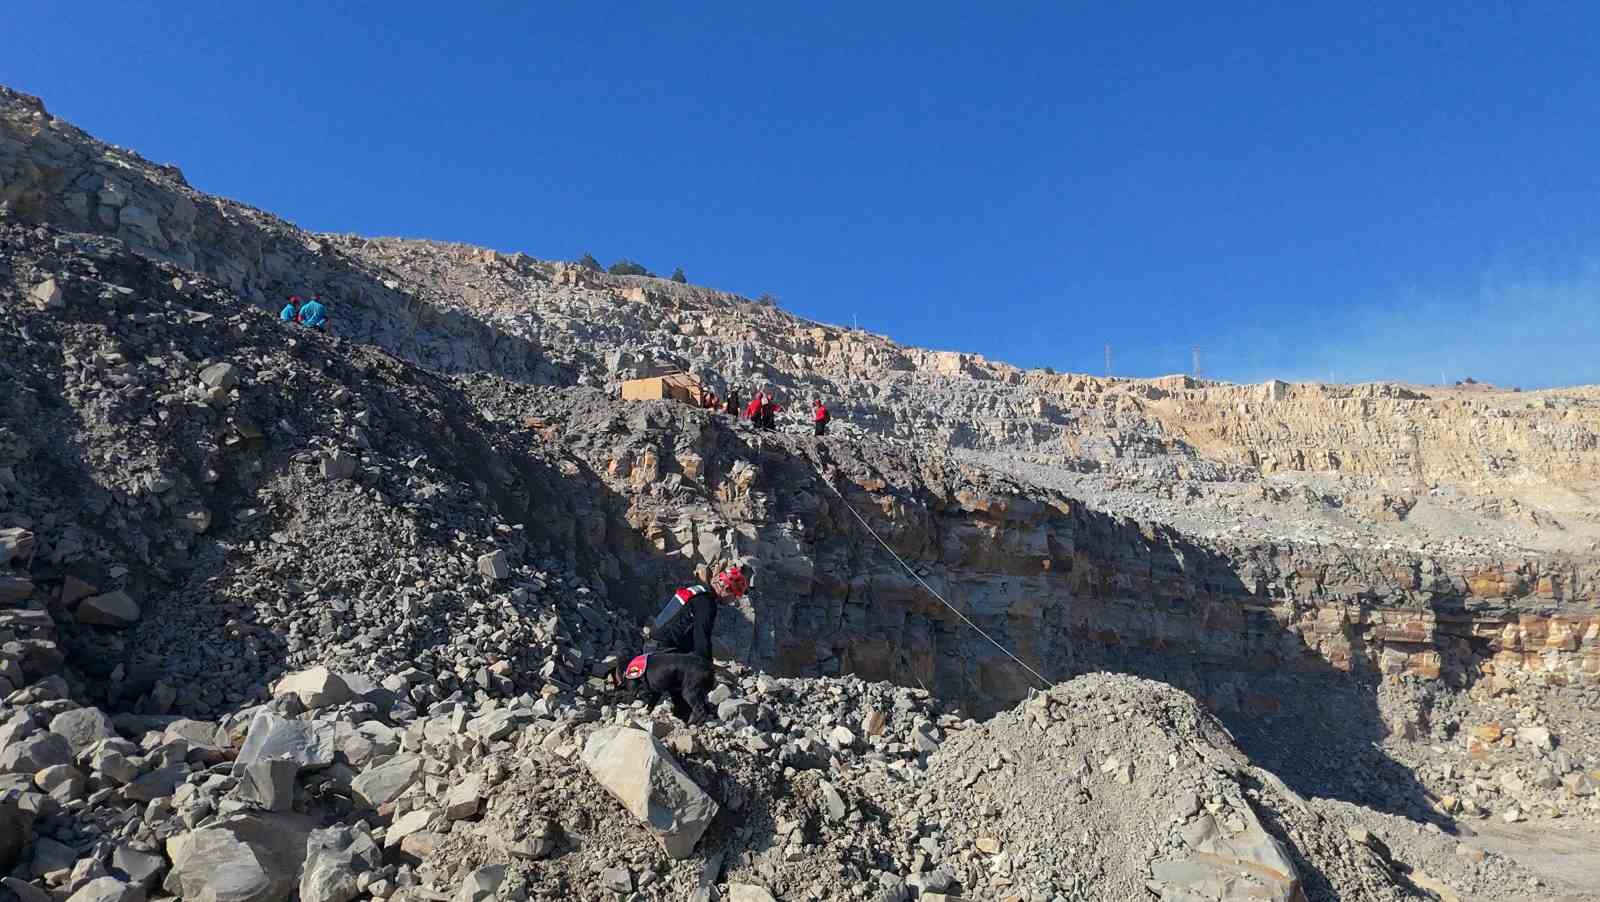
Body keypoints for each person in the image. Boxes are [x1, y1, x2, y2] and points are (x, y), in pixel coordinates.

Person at [646, 564, 752, 662]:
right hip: (664, 653)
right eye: (734, 596)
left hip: (651, 647)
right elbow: (701, 640)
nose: (733, 600)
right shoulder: (707, 604)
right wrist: (707, 665)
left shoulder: (698, 591)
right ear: (726, 589)